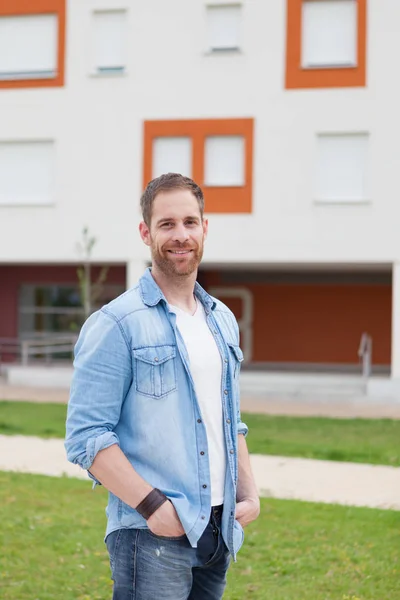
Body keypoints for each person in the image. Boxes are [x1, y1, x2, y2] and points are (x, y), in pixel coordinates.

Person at [65, 173, 260, 600]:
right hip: (151, 536)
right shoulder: (116, 324)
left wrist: (249, 493)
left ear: (204, 228)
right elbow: (87, 437)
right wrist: (154, 508)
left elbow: (230, 420)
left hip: (219, 528)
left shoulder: (221, 319)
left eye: (190, 222)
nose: (180, 235)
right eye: (167, 224)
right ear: (145, 232)